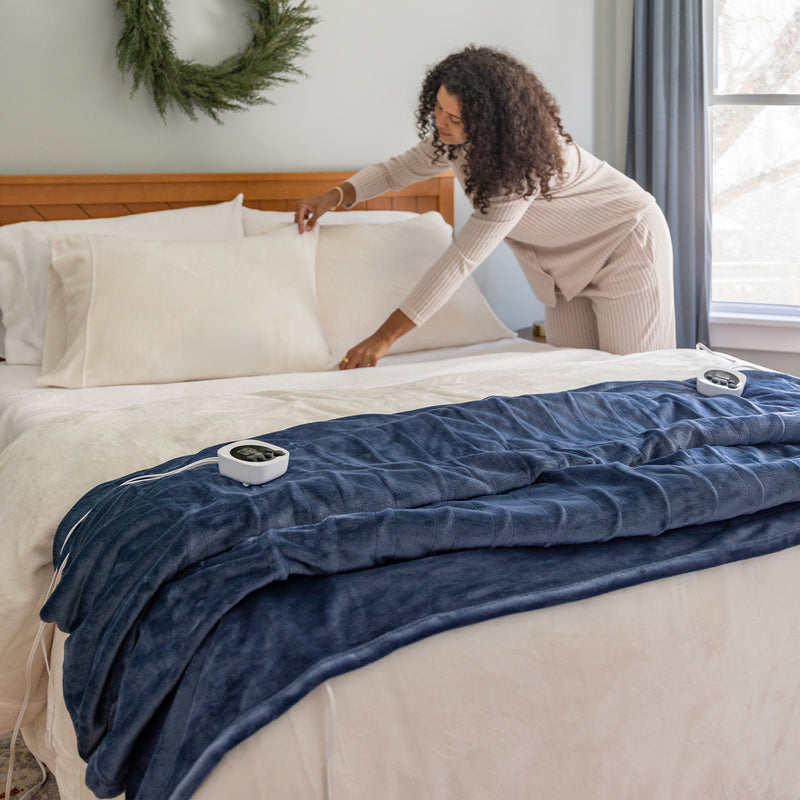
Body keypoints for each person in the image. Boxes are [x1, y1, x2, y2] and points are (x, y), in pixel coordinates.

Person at [295, 45, 676, 370]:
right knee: (574, 383)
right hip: (562, 271)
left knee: (637, 381)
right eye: (438, 109)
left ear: (491, 123)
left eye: (454, 117)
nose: (440, 123)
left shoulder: (519, 168)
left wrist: (382, 339)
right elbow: (397, 170)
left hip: (625, 245)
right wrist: (334, 196)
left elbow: (459, 261)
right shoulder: (453, 140)